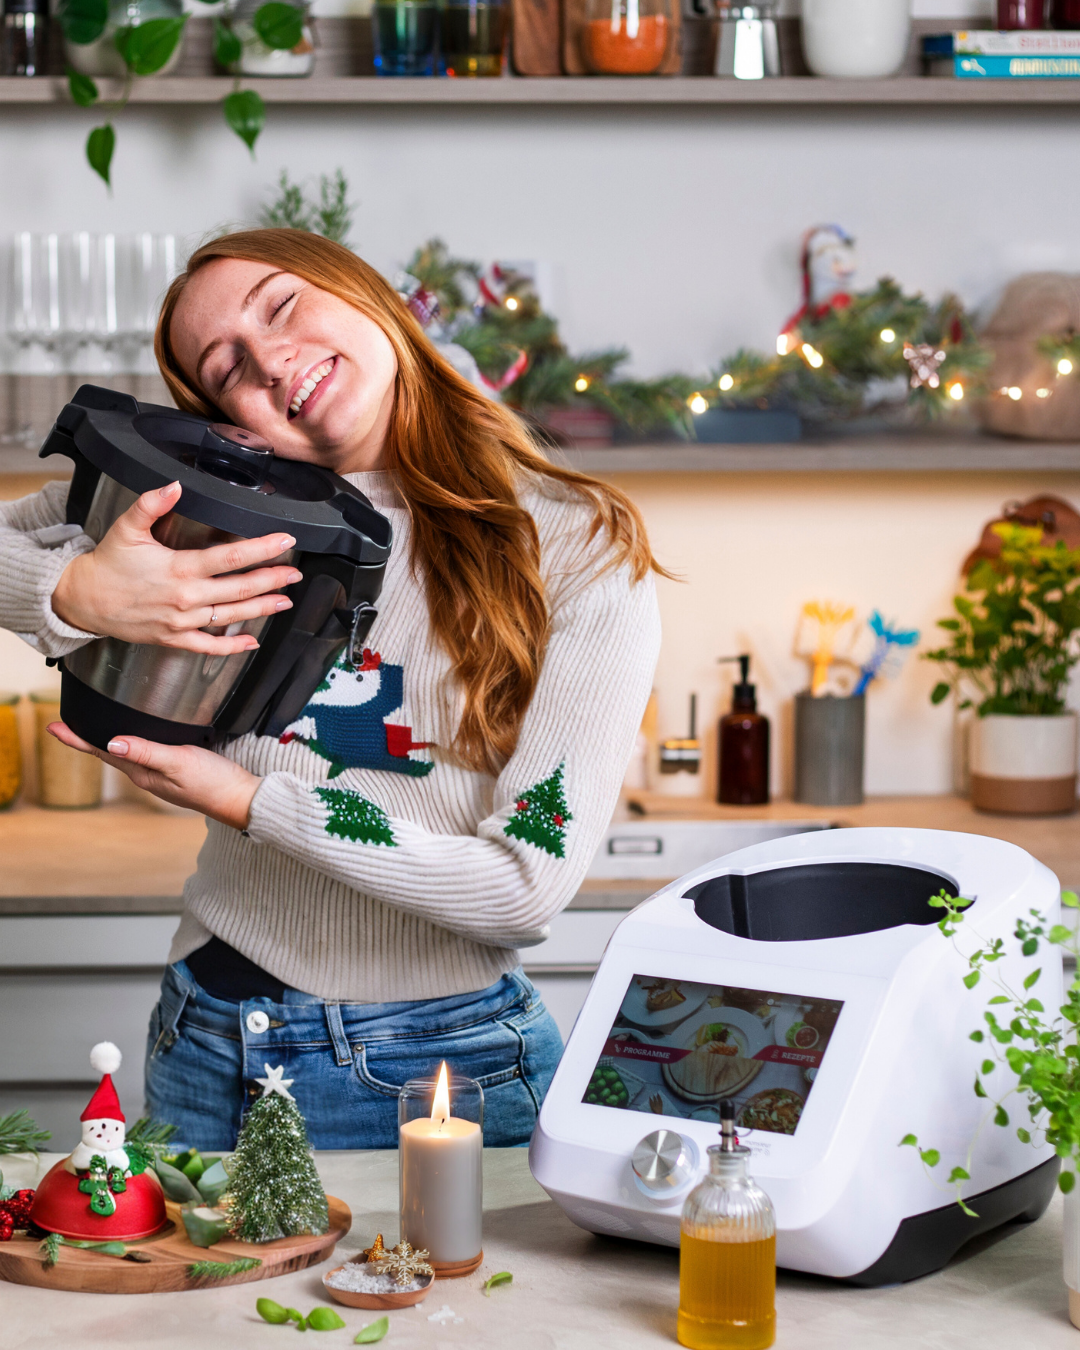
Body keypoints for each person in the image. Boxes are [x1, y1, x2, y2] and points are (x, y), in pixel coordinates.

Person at [0, 230, 662, 1149]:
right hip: (208, 1037)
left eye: (281, 306)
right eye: (225, 368)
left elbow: (522, 887)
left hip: (443, 1070)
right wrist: (68, 591)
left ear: (366, 293)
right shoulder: (207, 506)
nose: (270, 362)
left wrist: (244, 799)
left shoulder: (578, 547)